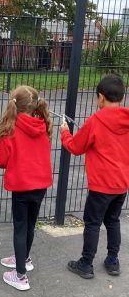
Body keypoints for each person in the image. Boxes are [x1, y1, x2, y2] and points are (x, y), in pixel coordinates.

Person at [60, 74, 129, 278]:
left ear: (100, 97)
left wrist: (65, 132)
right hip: (121, 184)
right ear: (122, 98)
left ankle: (86, 263)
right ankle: (113, 261)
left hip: (101, 185)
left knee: (92, 223)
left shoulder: (95, 121)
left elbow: (75, 147)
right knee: (113, 220)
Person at [0, 86, 53, 291]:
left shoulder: (10, 130)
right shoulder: (43, 126)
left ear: (14, 105)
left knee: (20, 227)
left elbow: (1, 161)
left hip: (21, 186)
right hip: (40, 185)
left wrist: (0, 152)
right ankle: (24, 259)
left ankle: (20, 276)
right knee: (29, 225)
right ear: (34, 105)